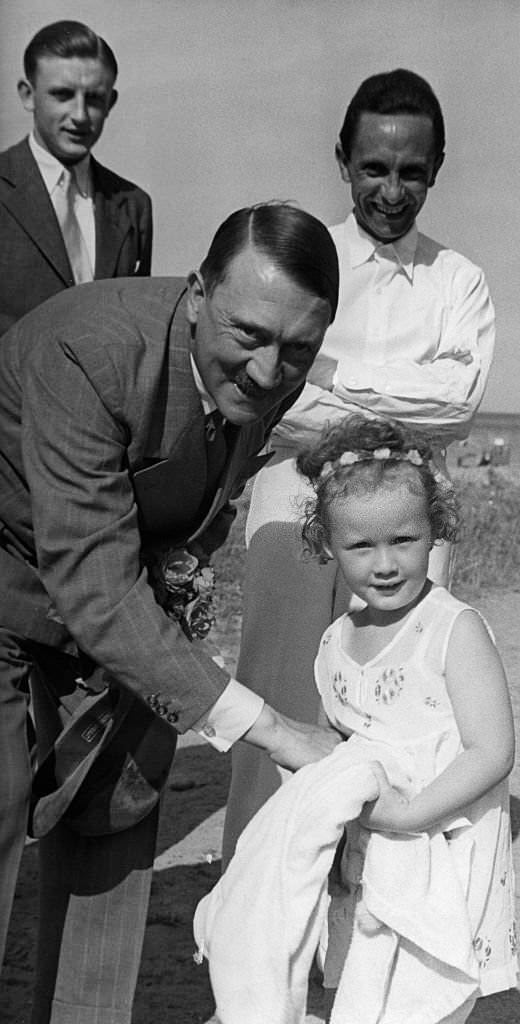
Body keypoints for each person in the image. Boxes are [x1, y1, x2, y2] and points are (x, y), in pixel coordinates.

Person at [0, 202, 340, 1024]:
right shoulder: (88, 350)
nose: (268, 373)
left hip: (116, 592)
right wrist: (274, 729)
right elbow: (94, 585)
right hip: (12, 593)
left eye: (298, 350)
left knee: (118, 817)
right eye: (250, 336)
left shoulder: (264, 375)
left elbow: (189, 513)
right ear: (196, 292)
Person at [223, 68, 496, 861]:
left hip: (410, 528)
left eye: (411, 171)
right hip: (290, 508)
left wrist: (334, 380)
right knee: (277, 703)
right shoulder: (305, 261)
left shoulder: (459, 282)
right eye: (374, 167)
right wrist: (394, 409)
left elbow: (458, 405)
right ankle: (256, 901)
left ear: (436, 167)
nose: (391, 188)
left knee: (401, 708)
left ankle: (367, 918)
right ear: (342, 159)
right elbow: (274, 393)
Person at [194, 413, 517, 1024]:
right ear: (327, 546)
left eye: (404, 539)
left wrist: (408, 814)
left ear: (435, 532)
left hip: (440, 841)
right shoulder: (336, 641)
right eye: (360, 546)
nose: (385, 564)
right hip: (365, 850)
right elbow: (327, 751)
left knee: (424, 990)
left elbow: (491, 750)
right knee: (361, 985)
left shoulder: (453, 630)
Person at [0, 19, 152, 335]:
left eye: (94, 98)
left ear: (110, 102)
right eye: (62, 94)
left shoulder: (134, 206)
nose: (80, 115)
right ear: (28, 95)